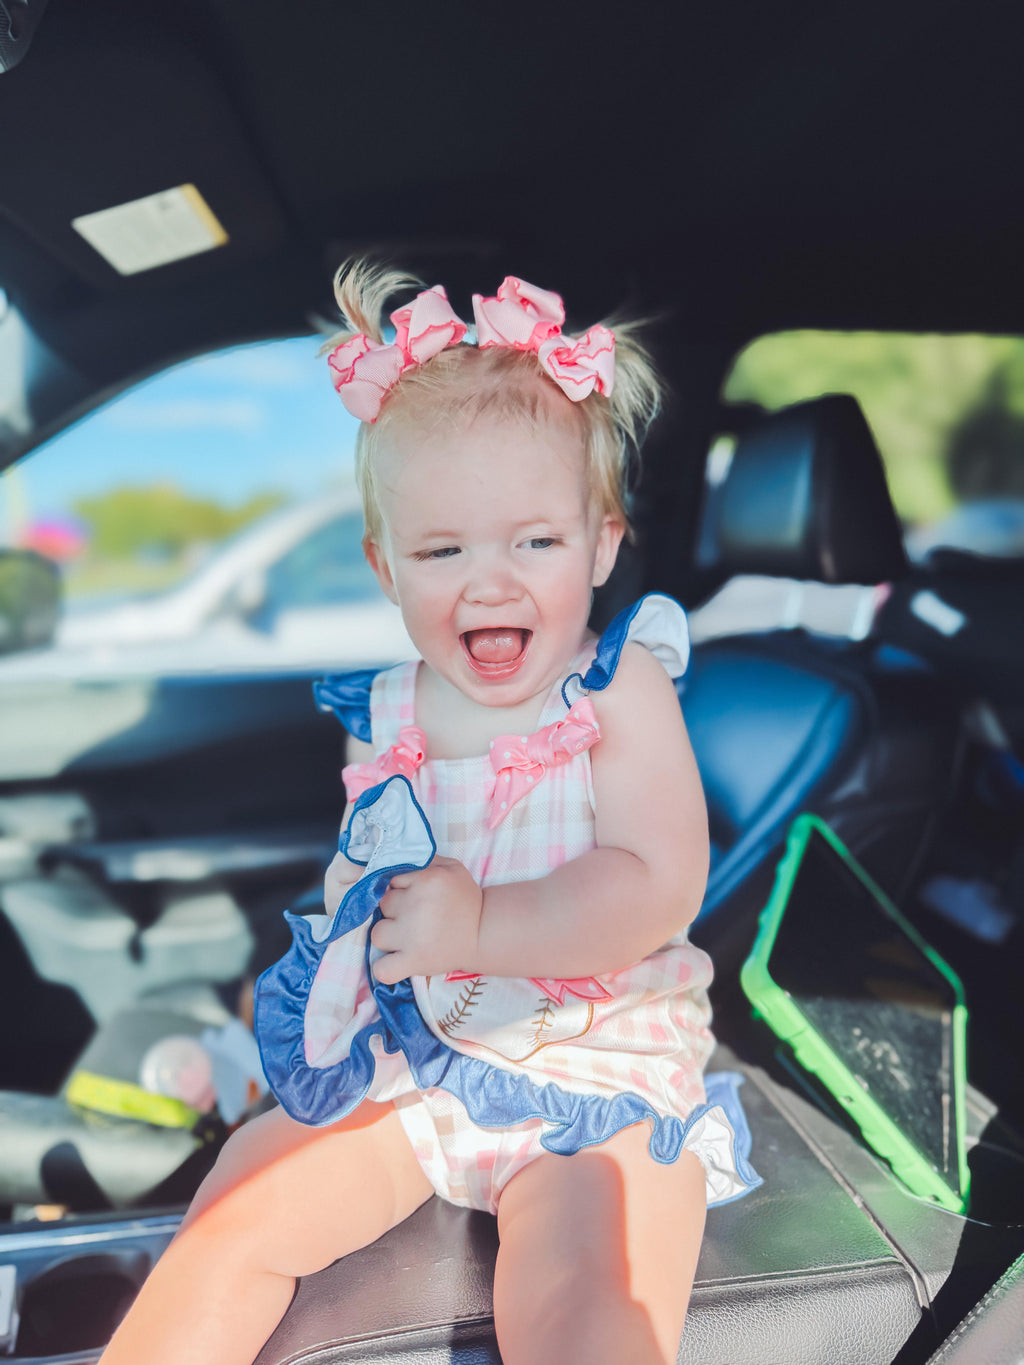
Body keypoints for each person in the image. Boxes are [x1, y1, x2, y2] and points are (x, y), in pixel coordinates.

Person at [99, 262, 757, 1365]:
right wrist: (342, 991)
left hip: (596, 1061)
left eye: (534, 544)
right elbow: (366, 873)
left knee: (578, 1292)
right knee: (234, 1214)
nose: (488, 584)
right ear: (385, 568)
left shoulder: (614, 687)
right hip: (417, 1056)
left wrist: (484, 927)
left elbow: (656, 881)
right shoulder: (389, 710)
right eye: (442, 552)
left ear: (600, 544)